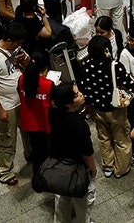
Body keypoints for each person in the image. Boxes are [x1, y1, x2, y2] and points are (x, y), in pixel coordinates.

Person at [78, 36, 134, 179]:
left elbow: (85, 89)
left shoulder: (86, 67)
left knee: (104, 137)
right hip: (116, 109)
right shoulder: (115, 66)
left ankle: (108, 166)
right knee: (121, 139)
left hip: (98, 109)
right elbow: (130, 85)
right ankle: (121, 169)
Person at [0, 22, 30, 186]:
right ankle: (4, 171)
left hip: (22, 100)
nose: (20, 46)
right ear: (9, 40)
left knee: (27, 132)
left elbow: (28, 65)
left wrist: (25, 59)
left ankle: (31, 156)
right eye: (18, 43)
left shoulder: (15, 49)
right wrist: (0, 109)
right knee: (7, 140)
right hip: (7, 106)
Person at [48, 82, 97, 222]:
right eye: (76, 95)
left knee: (61, 200)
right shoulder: (79, 126)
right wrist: (92, 169)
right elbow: (87, 152)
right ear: (68, 104)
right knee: (83, 202)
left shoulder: (54, 113)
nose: (81, 94)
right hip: (77, 169)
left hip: (58, 165)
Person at [18, 53, 52, 169]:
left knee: (36, 151)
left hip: (28, 123)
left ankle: (37, 176)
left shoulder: (22, 79)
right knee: (46, 152)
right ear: (45, 67)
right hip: (44, 123)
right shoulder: (47, 84)